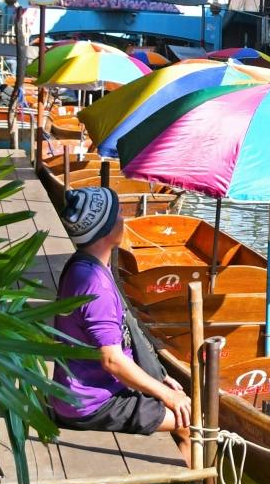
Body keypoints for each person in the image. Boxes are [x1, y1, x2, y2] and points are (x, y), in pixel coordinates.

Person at [50, 187, 193, 450]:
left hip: (78, 392)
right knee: (192, 423)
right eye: (118, 215)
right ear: (104, 230)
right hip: (91, 403)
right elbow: (112, 361)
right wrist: (166, 395)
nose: (123, 220)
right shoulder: (95, 285)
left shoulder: (82, 266)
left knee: (178, 400)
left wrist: (159, 378)